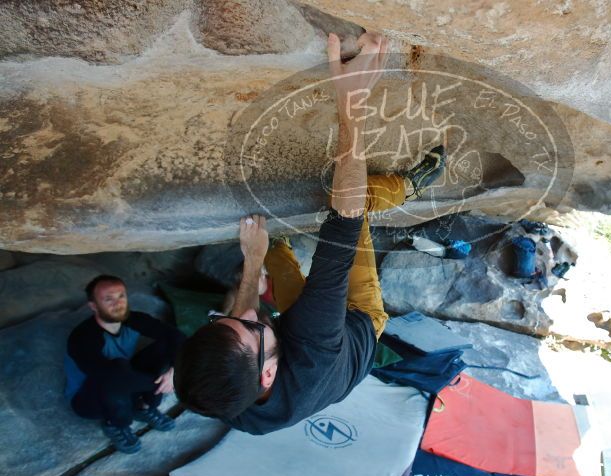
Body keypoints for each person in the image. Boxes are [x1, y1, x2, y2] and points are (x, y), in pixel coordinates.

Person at [174, 31, 446, 435]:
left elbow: (241, 324)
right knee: (353, 197)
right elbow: (346, 215)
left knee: (273, 253)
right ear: (267, 376)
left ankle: (272, 255)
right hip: (357, 321)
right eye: (250, 327)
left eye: (220, 321)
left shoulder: (232, 400)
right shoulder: (314, 337)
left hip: (303, 351)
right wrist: (350, 100)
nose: (245, 312)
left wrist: (252, 260)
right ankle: (411, 186)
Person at [65, 275, 185, 453]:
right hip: (89, 397)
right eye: (108, 299)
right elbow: (107, 375)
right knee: (117, 368)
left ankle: (143, 407)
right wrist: (164, 384)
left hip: (125, 380)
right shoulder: (83, 337)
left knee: (163, 348)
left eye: (121, 296)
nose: (118, 303)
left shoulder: (133, 320)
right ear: (93, 306)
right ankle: (116, 424)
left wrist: (174, 372)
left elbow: (176, 337)